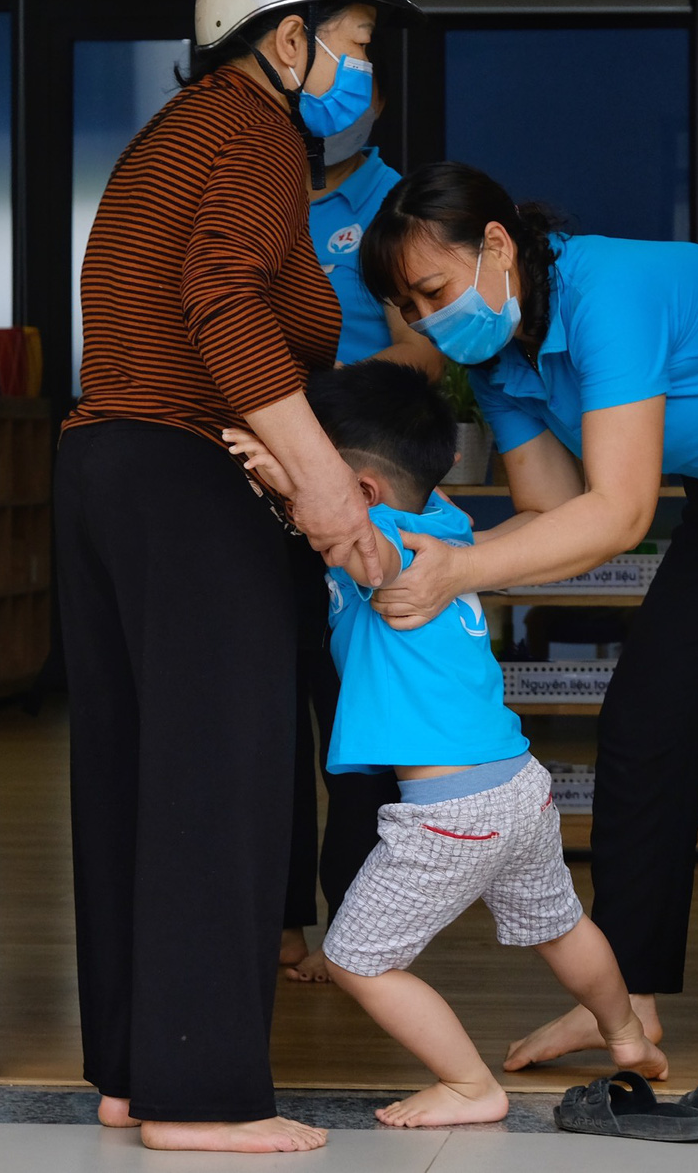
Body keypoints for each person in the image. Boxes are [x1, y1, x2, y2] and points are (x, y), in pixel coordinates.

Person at [355, 162, 698, 1108]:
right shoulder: (500, 354)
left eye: (433, 291)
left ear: (500, 246)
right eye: (408, 307)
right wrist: (428, 558)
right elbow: (552, 511)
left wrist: (462, 570)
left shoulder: (612, 294)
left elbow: (623, 513)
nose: (430, 322)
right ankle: (624, 1005)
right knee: (644, 727)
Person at [54, 0, 418, 1154]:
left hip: (111, 467)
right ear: (288, 35)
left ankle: (134, 1067)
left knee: (137, 778)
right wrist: (325, 489)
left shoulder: (184, 134)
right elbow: (220, 303)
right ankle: (200, 1094)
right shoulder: (251, 129)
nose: (364, 74)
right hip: (179, 476)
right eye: (356, 44)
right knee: (224, 781)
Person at [228, 362, 667, 1127]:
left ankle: (469, 1086)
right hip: (517, 787)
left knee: (358, 958)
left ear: (358, 493)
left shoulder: (395, 553)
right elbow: (368, 517)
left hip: (448, 814)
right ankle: (627, 1034)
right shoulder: (443, 521)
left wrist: (285, 478)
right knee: (561, 927)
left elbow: (364, 549)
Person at [280, 87, 440, 985]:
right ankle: (280, 921)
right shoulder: (252, 185)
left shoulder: (393, 206)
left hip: (358, 493)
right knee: (266, 711)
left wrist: (319, 391)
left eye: (368, 70)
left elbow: (424, 351)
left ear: (380, 99)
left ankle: (362, 927)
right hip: (253, 488)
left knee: (356, 717)